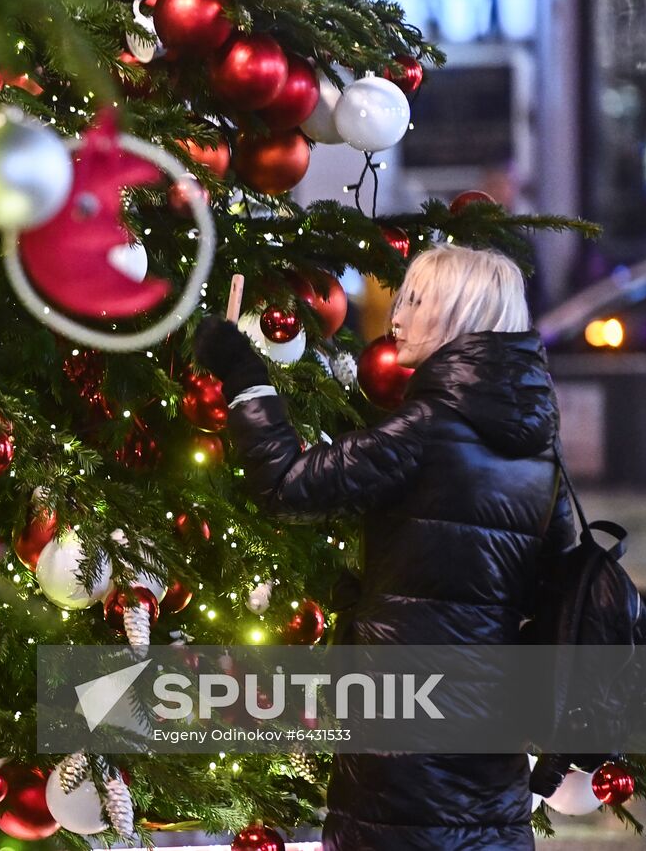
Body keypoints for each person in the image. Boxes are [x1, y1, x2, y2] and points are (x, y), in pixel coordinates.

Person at [195, 244, 572, 850]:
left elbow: (289, 485)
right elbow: (559, 576)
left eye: (417, 301)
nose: (397, 315)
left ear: (458, 316)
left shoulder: (428, 426)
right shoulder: (537, 443)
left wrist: (243, 375)